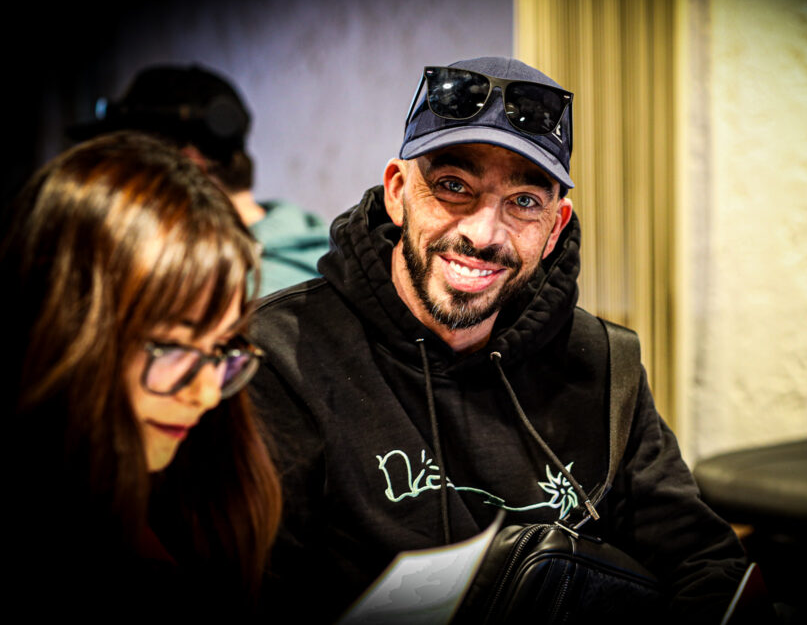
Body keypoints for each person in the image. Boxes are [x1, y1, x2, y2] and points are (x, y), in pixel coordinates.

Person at [248, 57, 750, 623]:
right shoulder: (278, 356)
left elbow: (705, 565)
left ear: (555, 226)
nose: (484, 234)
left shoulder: (605, 364)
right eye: (453, 187)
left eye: (524, 202)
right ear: (397, 191)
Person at [2, 131, 282, 621]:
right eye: (172, 347)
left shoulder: (209, 481)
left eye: (221, 348)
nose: (207, 394)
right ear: (66, 322)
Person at [66, 63, 331, 296]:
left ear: (188, 167)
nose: (118, 191)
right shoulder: (304, 238)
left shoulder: (235, 300)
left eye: (130, 171)